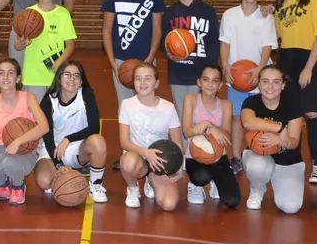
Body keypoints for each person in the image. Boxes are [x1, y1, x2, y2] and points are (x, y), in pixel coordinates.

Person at [273, 0, 317, 184]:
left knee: (312, 113)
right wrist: (267, 12)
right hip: (286, 59)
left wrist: (308, 68)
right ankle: (291, 158)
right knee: (290, 112)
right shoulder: (282, 3)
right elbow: (277, 35)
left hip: (309, 58)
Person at [218, 0, 277, 174]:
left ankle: (259, 152)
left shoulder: (265, 16)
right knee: (236, 118)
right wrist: (224, 64)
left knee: (259, 117)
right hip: (236, 76)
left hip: (258, 75)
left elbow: (268, 45)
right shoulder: (229, 15)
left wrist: (260, 68)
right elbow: (225, 42)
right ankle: (235, 157)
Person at [0, 58, 49, 206]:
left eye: (10, 73)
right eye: (1, 73)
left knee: (11, 164)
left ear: (18, 78)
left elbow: (44, 127)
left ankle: (18, 186)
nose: (6, 77)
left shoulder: (29, 98)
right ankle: (4, 180)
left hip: (24, 150)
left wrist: (18, 142)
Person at [101, 0, 166, 107]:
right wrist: (112, 62)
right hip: (121, 61)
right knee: (125, 106)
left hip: (146, 59)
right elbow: (106, 30)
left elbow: (157, 30)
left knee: (147, 104)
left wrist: (150, 58)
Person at [38, 60, 108, 203]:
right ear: (59, 77)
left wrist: (68, 138)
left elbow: (94, 127)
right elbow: (47, 136)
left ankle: (96, 185)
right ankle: (65, 174)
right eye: (67, 75)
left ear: (81, 81)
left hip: (78, 148)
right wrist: (59, 165)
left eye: (76, 76)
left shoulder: (86, 94)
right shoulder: (48, 101)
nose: (72, 79)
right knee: (44, 181)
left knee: (98, 141)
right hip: (54, 148)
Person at [240, 65, 306, 214]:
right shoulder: (251, 102)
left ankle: (281, 179)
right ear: (259, 84)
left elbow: (294, 141)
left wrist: (282, 141)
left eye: (276, 82)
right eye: (265, 81)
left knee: (291, 207)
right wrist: (280, 129)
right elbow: (248, 122)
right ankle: (257, 188)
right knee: (256, 165)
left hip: (288, 161)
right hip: (259, 156)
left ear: (283, 85)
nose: (270, 87)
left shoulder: (293, 105)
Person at [118, 62, 183, 211]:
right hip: (137, 157)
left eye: (147, 78)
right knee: (128, 162)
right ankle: (133, 188)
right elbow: (124, 142)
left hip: (160, 161)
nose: (142, 82)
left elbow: (177, 142)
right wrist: (146, 153)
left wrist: (179, 167)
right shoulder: (127, 104)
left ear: (156, 83)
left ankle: (151, 180)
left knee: (169, 204)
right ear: (133, 82)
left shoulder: (168, 107)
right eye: (138, 78)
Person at [180, 64, 241, 208]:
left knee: (232, 201)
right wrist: (207, 125)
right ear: (198, 82)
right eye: (206, 80)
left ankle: (216, 180)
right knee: (202, 177)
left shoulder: (226, 105)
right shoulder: (191, 99)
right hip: (194, 156)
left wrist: (210, 126)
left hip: (219, 156)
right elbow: (186, 131)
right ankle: (195, 185)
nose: (210, 84)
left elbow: (226, 136)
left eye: (215, 81)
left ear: (220, 85)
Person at [161, 0, 219, 116]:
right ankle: (182, 141)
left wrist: (210, 71)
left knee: (202, 113)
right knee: (181, 114)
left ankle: (200, 141)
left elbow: (213, 41)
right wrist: (168, 53)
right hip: (178, 72)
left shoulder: (208, 11)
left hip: (201, 73)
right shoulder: (169, 13)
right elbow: (163, 41)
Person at [13, 0, 76, 102]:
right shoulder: (28, 14)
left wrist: (60, 61)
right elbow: (17, 46)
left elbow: (70, 44)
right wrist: (20, 44)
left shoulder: (63, 14)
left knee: (55, 118)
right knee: (35, 117)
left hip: (56, 76)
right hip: (33, 76)